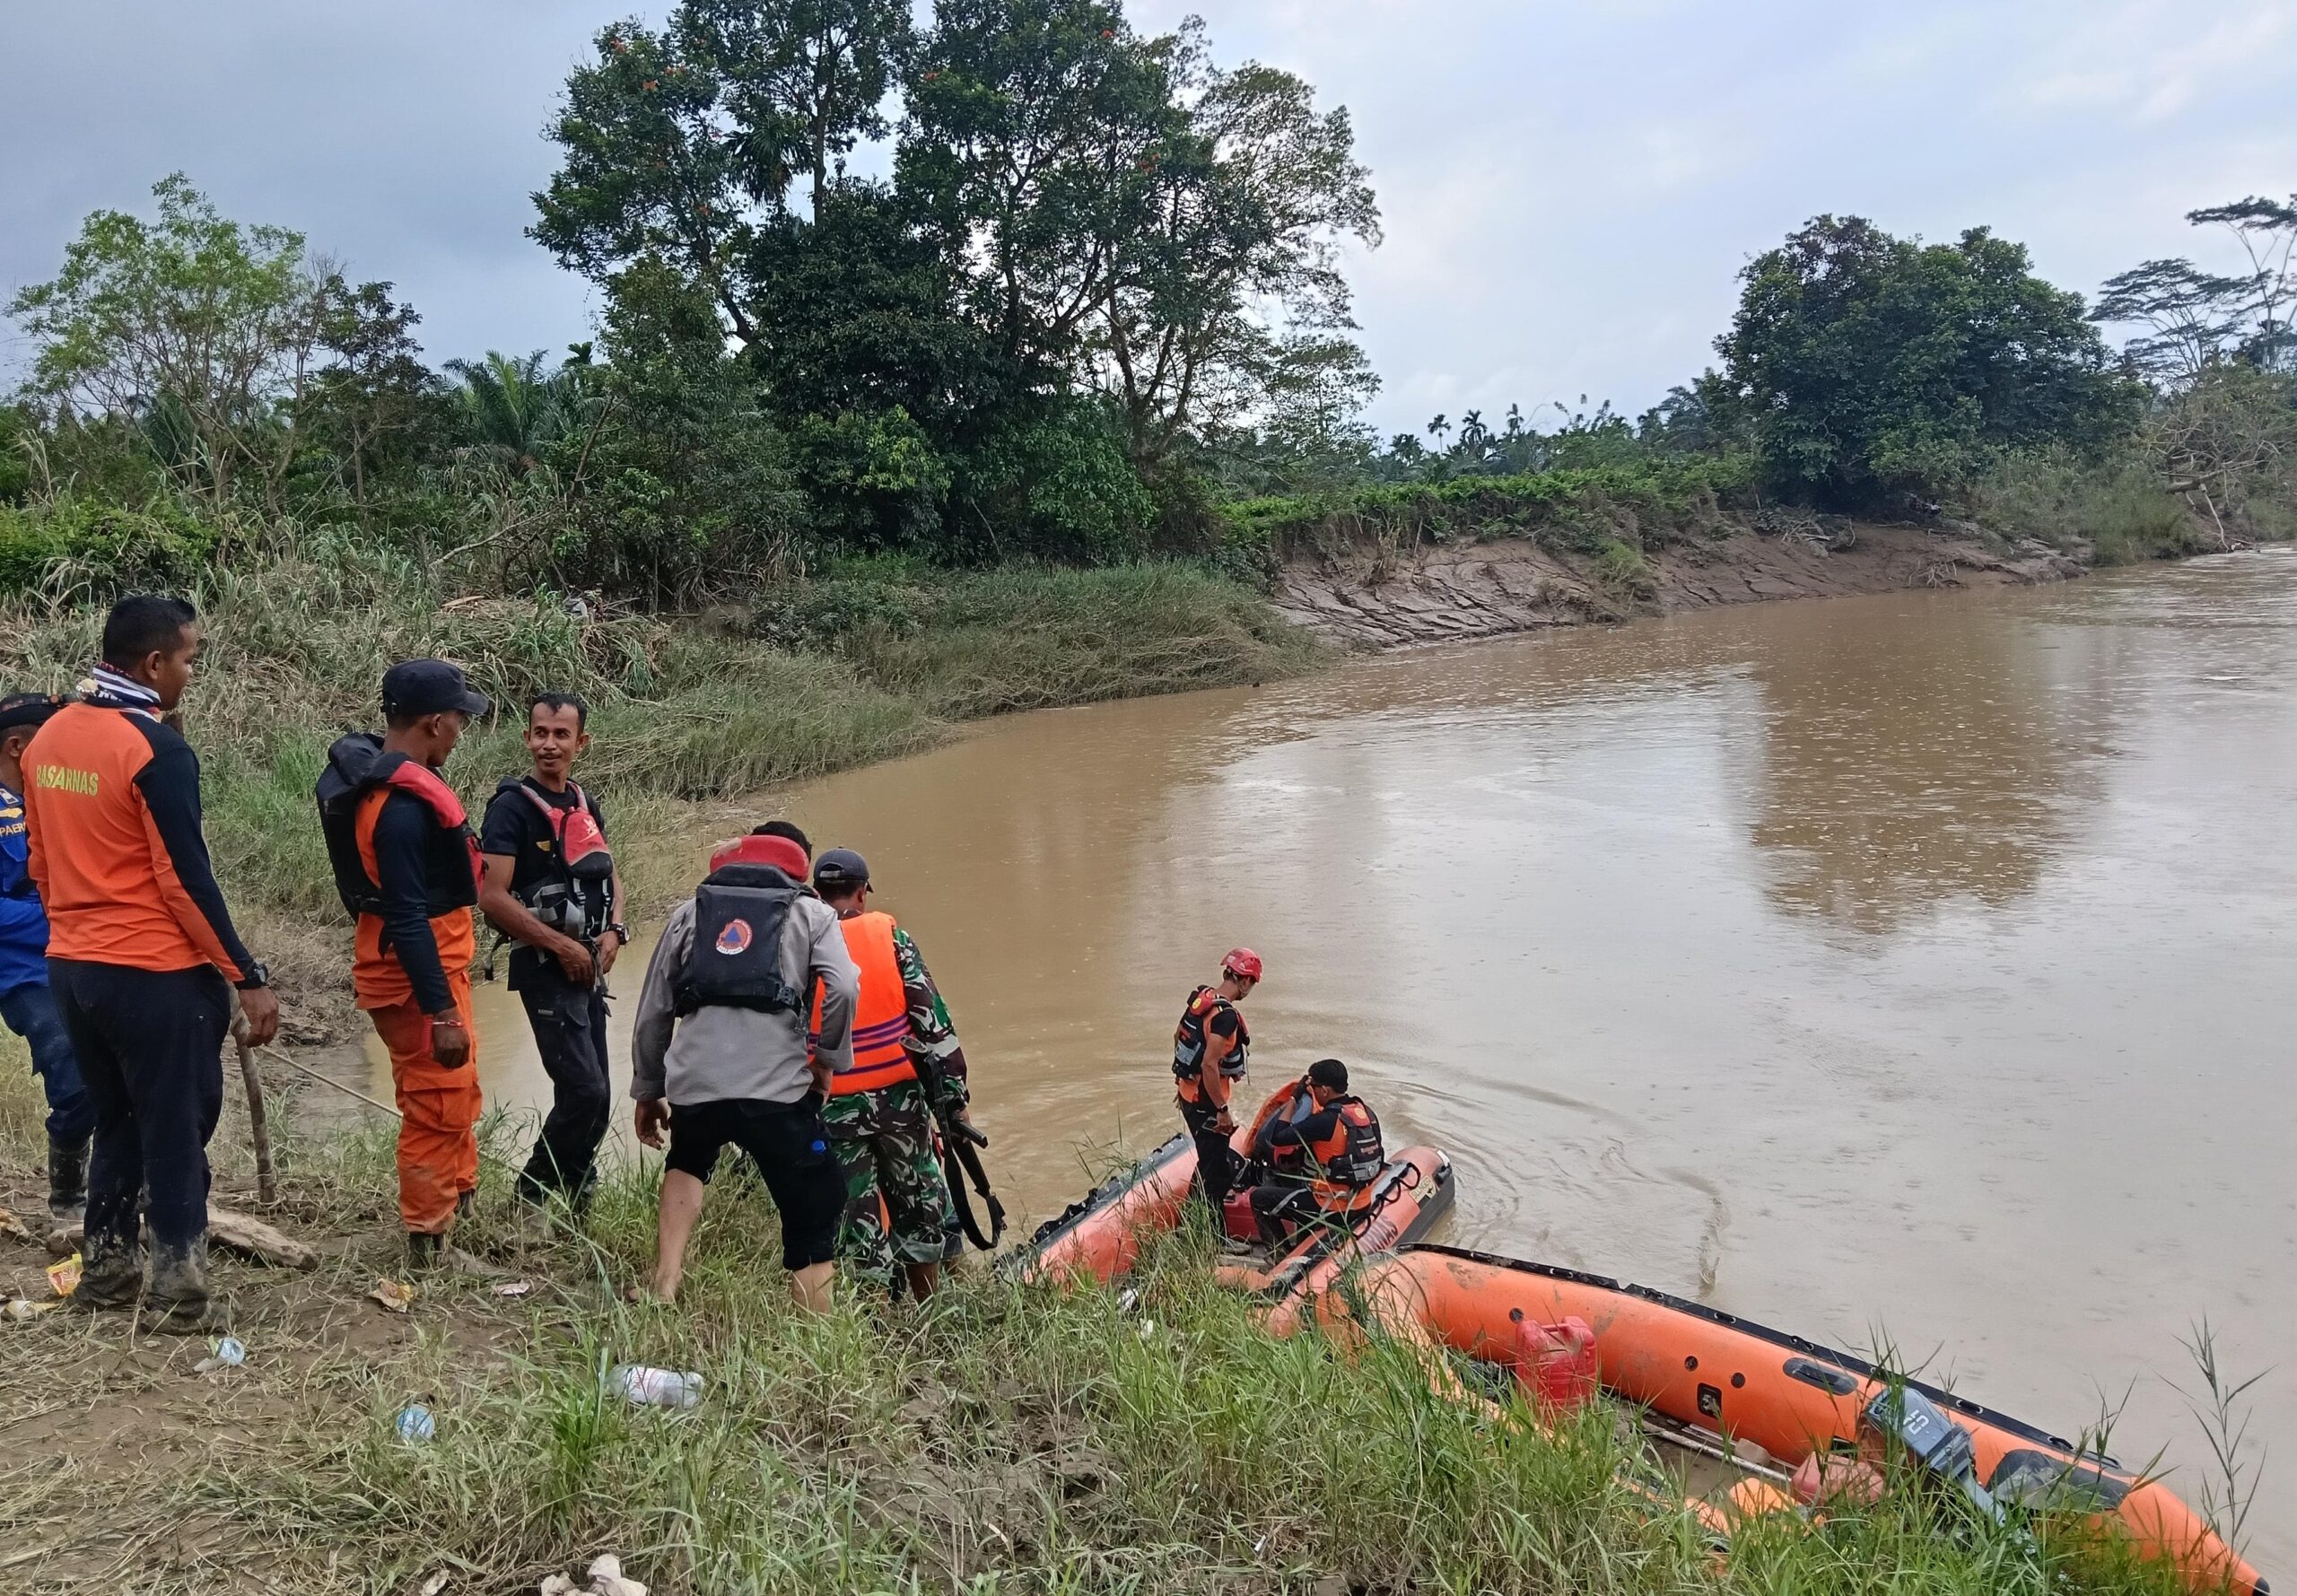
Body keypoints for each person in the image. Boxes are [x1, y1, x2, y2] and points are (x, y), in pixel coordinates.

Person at [22, 595, 278, 1332]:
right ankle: (179, 1293)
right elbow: (183, 881)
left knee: (117, 1119)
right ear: (154, 662)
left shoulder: (47, 741)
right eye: (190, 659)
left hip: (73, 972)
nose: (191, 673)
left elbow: (41, 864)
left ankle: (106, 1271)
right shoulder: (156, 751)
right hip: (155, 976)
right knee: (172, 1127)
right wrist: (246, 974)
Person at [629, 822, 855, 1312]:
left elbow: (652, 1011)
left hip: (695, 1086)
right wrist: (827, 1061)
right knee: (814, 1195)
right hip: (776, 1092)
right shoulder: (813, 913)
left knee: (688, 1159)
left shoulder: (690, 913)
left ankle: (665, 1284)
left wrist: (649, 1089)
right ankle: (814, 1327)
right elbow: (844, 987)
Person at [319, 660, 491, 1269]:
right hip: (418, 983)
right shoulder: (399, 809)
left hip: (438, 970)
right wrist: (441, 1009)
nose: (461, 732)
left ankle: (460, 1208)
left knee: (459, 1089)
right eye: (459, 721)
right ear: (433, 721)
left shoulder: (399, 788)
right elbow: (408, 914)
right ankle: (429, 1242)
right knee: (435, 1102)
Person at [476, 693, 626, 1234]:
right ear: (527, 738)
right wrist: (561, 946)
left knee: (600, 1097)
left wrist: (614, 930)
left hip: (591, 968)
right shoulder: (511, 807)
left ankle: (577, 1207)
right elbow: (491, 896)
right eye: (540, 732)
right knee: (583, 1091)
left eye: (561, 735)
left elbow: (608, 874)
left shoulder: (583, 802)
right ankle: (529, 1206)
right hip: (546, 969)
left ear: (580, 743)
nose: (549, 744)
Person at [808, 848, 970, 1300]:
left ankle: (878, 1319)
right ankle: (924, 1307)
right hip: (899, 1100)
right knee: (919, 1202)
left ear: (817, 896)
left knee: (853, 1214)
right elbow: (933, 1022)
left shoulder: (800, 941)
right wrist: (954, 1099)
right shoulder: (890, 935)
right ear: (862, 892)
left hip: (830, 1103)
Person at [0, 693, 93, 1237]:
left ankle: (117, 1185)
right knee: (71, 1067)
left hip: (79, 955)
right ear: (19, 746)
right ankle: (67, 1196)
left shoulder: (57, 800)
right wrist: (60, 916)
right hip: (21, 968)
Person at [1244, 1058, 1386, 1246]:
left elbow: (1277, 1136)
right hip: (1362, 1202)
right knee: (1307, 1188)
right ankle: (1303, 1243)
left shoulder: (1325, 1121)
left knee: (1259, 1198)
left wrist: (1294, 1099)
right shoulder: (1366, 1113)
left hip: (1333, 1208)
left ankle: (1279, 1255)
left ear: (1325, 1090)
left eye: (1314, 1087)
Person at [1172, 947, 1261, 1216]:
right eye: (1252, 984)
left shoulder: (1203, 997)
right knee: (1218, 1174)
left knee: (1210, 1162)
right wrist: (1222, 1111)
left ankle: (1192, 1216)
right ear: (1245, 981)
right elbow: (1209, 1064)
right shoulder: (1225, 1016)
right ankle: (1214, 1234)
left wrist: (1182, 1083)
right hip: (1207, 1103)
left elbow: (1178, 1037)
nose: (1250, 990)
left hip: (1189, 1095)